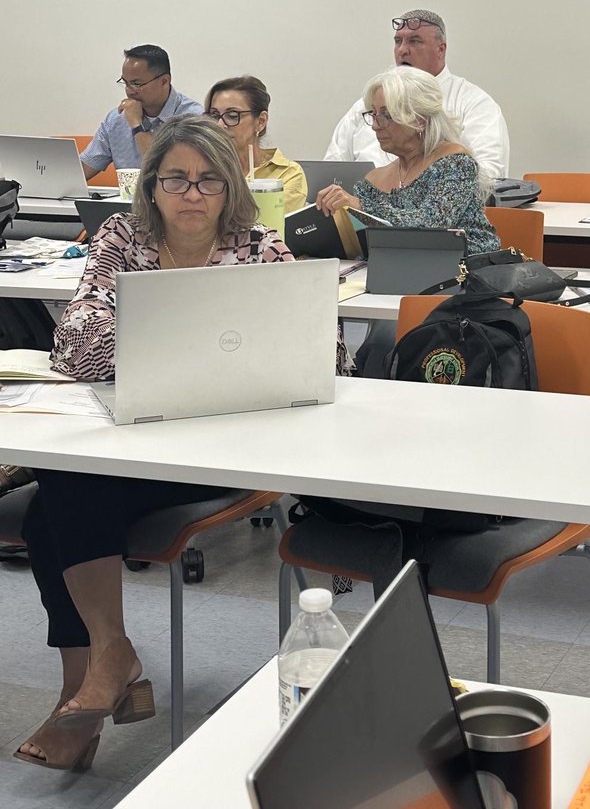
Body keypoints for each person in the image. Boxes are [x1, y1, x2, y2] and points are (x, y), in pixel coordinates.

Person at [16, 118, 349, 773]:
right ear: (153, 187)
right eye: (176, 179)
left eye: (208, 181)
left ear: (230, 190)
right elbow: (75, 345)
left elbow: (322, 349)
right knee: (62, 483)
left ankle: (87, 690)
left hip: (229, 451)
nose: (192, 194)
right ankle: (105, 662)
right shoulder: (123, 236)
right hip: (146, 434)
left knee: (52, 505)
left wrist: (148, 334)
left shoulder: (258, 245)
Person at [317, 65, 500, 255]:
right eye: (373, 114)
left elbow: (430, 226)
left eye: (386, 115)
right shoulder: (372, 181)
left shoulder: (456, 163)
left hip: (469, 275)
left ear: (419, 120)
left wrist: (360, 207)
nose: (375, 126)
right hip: (400, 275)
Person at [324, 11, 510, 180]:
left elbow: (490, 177)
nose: (403, 50)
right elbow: (331, 171)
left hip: (438, 211)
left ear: (441, 49)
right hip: (358, 210)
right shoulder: (367, 106)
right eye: (398, 41)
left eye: (415, 41)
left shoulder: (474, 104)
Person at [80, 45, 203, 180]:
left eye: (137, 84)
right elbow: (83, 169)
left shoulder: (194, 119)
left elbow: (168, 172)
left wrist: (137, 125)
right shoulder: (116, 119)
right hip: (128, 200)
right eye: (126, 83)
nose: (129, 91)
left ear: (164, 81)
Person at [205, 74, 307, 212]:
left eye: (233, 116)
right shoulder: (202, 168)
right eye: (214, 116)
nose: (220, 124)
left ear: (261, 122)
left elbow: (270, 226)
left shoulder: (287, 174)